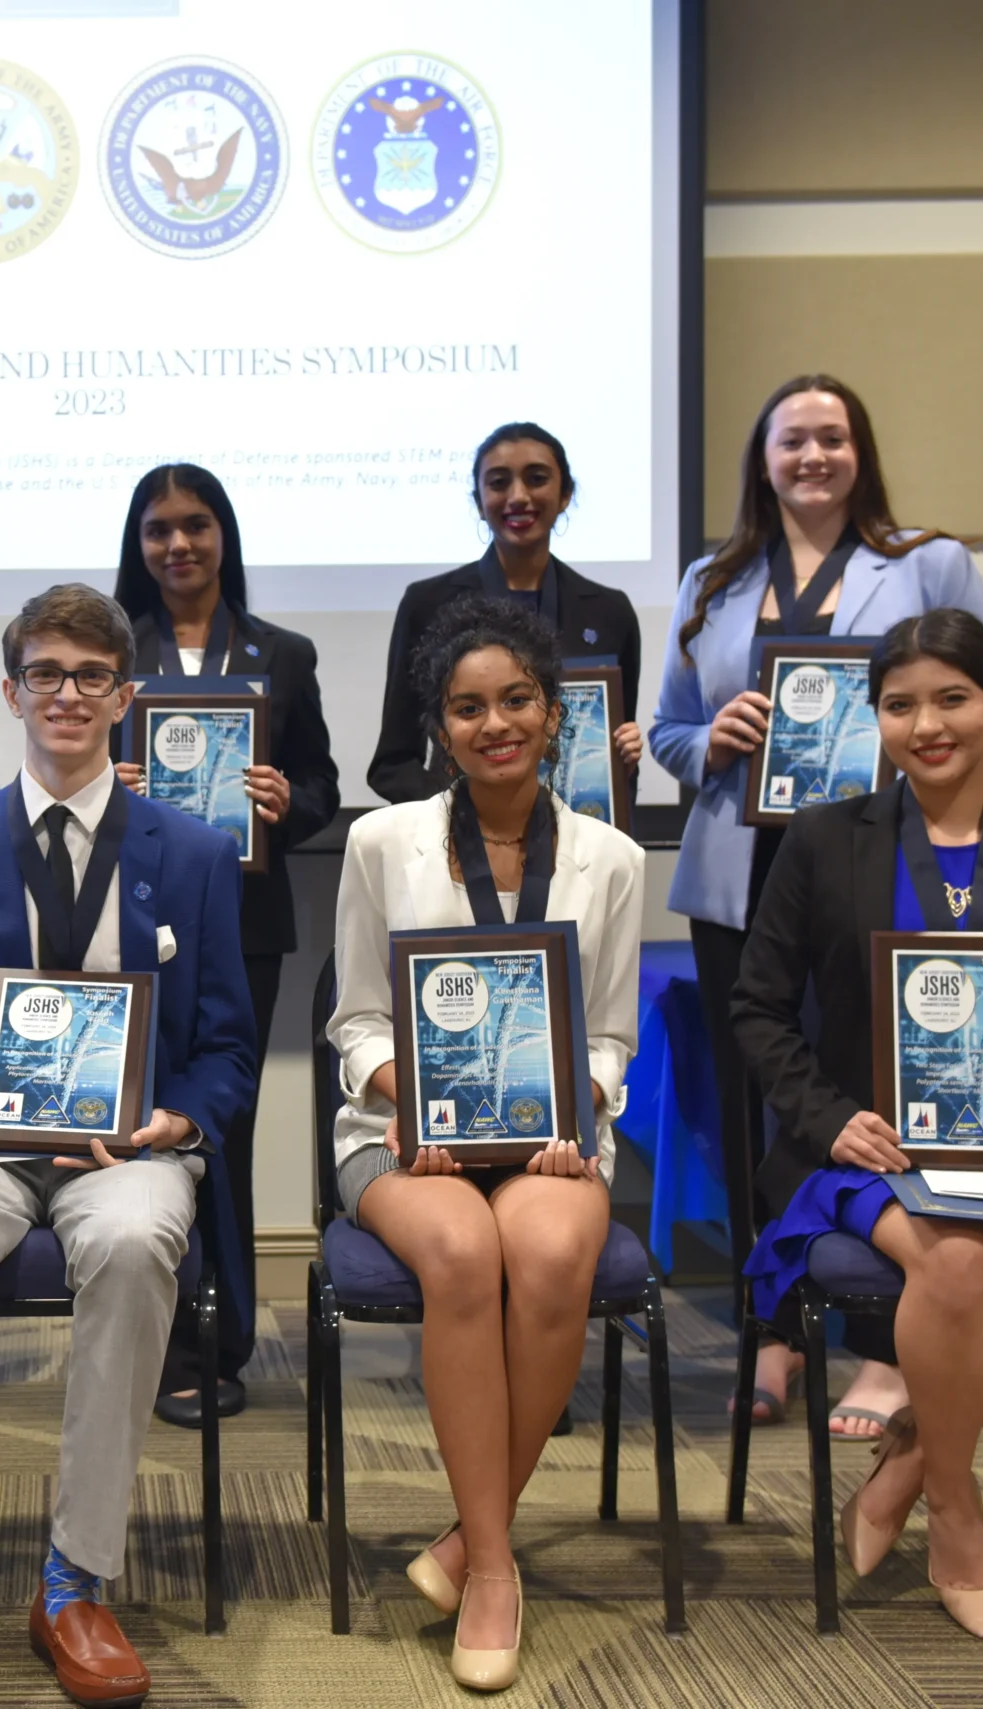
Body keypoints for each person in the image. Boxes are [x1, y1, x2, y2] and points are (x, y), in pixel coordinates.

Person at [0, 586, 256, 1709]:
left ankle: (76, 1578)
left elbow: (226, 1045)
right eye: (45, 672)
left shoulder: (196, 849)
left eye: (90, 675)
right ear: (9, 689)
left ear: (125, 695)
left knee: (133, 1247)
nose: (66, 693)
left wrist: (178, 1120)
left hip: (129, 1151)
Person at [733, 609, 983, 1638]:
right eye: (900, 703)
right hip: (871, 1151)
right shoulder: (824, 840)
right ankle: (957, 1511)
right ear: (877, 719)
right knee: (951, 1263)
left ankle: (911, 1456)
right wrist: (833, 1120)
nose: (928, 723)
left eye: (952, 697)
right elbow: (757, 1008)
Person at [648, 374, 983, 1439]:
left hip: (878, 873)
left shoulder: (926, 564)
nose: (811, 456)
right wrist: (709, 736)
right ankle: (772, 1328)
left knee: (875, 1098)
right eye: (790, 441)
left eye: (830, 437)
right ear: (760, 461)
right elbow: (669, 732)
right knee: (754, 1105)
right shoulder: (710, 580)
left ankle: (884, 1341)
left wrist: (925, 751)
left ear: (860, 451)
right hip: (742, 875)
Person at [326, 596, 641, 1691]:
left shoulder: (610, 855)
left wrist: (577, 1105)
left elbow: (609, 1031)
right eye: (467, 707)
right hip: (401, 1134)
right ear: (439, 726)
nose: (493, 722)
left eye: (515, 699)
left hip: (553, 1138)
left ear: (554, 713)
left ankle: (472, 1540)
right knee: (462, 1256)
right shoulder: (380, 840)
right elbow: (355, 1017)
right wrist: (403, 1091)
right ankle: (498, 1568)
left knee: (551, 1255)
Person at [109, 461, 340, 1426]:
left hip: (243, 923)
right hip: (126, 918)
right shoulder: (111, 653)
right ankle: (144, 1336)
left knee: (223, 1134)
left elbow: (325, 789)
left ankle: (223, 1341)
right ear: (139, 543)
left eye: (196, 526)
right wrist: (100, 777)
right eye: (159, 529)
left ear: (224, 535)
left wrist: (288, 802)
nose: (178, 545)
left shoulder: (282, 654)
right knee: (134, 1130)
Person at [369, 423, 643, 804]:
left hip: (574, 844)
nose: (518, 496)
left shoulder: (611, 612)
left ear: (565, 495)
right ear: (479, 502)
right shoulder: (427, 605)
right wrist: (457, 816)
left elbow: (610, 753)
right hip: (455, 844)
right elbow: (394, 763)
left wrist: (621, 762)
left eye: (536, 479)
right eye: (499, 483)